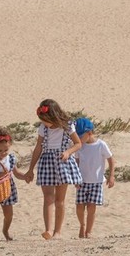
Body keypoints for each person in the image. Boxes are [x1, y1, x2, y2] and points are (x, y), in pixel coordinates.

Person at [24, 99, 83, 240]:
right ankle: (48, 230)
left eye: (46, 120)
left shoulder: (68, 126)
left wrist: (68, 152)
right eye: (42, 120)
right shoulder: (42, 128)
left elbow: (78, 143)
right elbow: (38, 147)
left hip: (63, 163)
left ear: (54, 116)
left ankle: (58, 231)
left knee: (59, 200)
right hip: (47, 162)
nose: (45, 123)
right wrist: (31, 169)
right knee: (48, 197)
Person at [73, 118, 115, 239]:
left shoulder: (101, 145)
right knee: (80, 206)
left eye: (80, 135)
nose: (78, 139)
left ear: (90, 133)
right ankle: (82, 225)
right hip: (82, 181)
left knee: (92, 207)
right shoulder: (79, 147)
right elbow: (76, 162)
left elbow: (111, 159)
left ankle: (89, 231)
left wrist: (111, 176)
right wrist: (75, 178)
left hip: (96, 182)